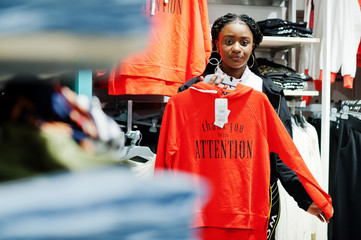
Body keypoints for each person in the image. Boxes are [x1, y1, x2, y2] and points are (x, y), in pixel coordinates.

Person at [178, 13, 330, 240]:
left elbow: (283, 151)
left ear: (253, 46)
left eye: (244, 42)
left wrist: (305, 199)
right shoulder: (191, 91)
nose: (236, 48)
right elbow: (176, 147)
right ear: (217, 44)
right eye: (229, 41)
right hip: (204, 198)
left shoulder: (268, 92)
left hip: (255, 196)